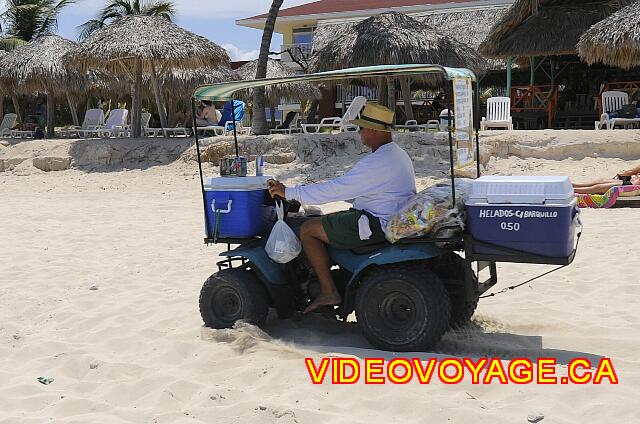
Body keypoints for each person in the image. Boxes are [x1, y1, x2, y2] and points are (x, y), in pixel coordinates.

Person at [268, 104, 416, 313]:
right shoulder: (398, 155)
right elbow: (359, 189)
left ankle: (329, 291)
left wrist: (290, 192)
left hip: (375, 223)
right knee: (326, 219)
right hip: (386, 215)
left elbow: (335, 191)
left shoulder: (376, 162)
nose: (359, 133)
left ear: (373, 130)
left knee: (308, 230)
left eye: (361, 128)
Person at [573, 164, 640, 194]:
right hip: (632, 183)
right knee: (600, 181)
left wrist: (621, 174)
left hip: (633, 186)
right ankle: (572, 186)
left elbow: (630, 172)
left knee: (598, 186)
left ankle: (572, 189)